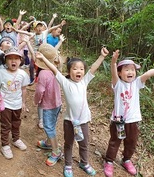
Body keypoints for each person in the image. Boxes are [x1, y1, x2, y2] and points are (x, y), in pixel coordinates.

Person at [103, 50, 154, 177]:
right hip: (118, 120)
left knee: (131, 142)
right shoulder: (117, 84)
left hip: (133, 120)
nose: (130, 72)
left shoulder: (137, 83)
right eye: (127, 70)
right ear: (120, 73)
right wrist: (113, 62)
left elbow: (148, 74)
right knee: (115, 141)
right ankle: (109, 161)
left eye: (133, 70)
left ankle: (126, 159)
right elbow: (113, 71)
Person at [36, 47, 109, 177]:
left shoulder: (84, 82)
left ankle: (84, 163)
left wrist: (102, 57)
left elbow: (93, 68)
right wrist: (43, 59)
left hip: (83, 121)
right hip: (69, 121)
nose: (79, 71)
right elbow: (54, 69)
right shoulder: (65, 82)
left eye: (81, 69)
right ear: (69, 71)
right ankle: (68, 164)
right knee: (68, 144)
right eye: (75, 68)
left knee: (84, 144)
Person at [0, 47, 30, 160]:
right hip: (6, 104)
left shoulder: (23, 74)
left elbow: (24, 89)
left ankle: (16, 139)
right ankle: (5, 145)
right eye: (10, 58)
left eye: (16, 59)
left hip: (17, 104)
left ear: (21, 60)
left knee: (16, 122)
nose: (13, 61)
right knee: (6, 125)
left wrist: (23, 102)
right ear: (5, 60)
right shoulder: (1, 73)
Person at [34, 43, 63, 166]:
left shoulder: (43, 74)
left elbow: (40, 91)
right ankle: (49, 142)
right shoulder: (55, 70)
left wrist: (36, 101)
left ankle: (56, 151)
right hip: (57, 103)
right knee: (52, 124)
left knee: (48, 126)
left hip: (48, 105)